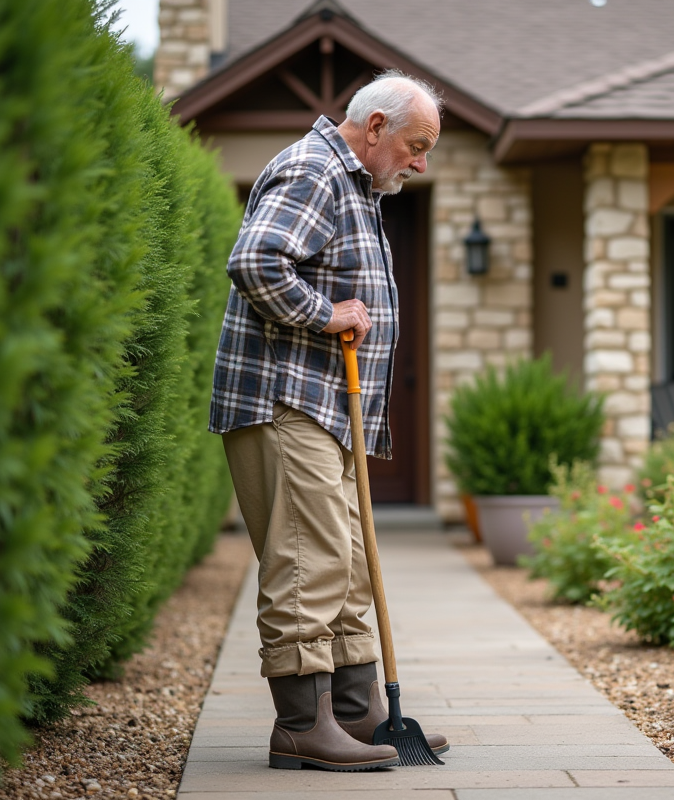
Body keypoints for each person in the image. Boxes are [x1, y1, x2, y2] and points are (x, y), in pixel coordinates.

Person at [209, 70, 448, 772]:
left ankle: (357, 711)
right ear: (375, 127)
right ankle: (301, 726)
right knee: (308, 562)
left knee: (343, 562)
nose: (420, 161)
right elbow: (256, 260)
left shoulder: (355, 184)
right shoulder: (315, 168)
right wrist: (327, 313)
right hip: (288, 403)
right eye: (416, 143)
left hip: (324, 410)